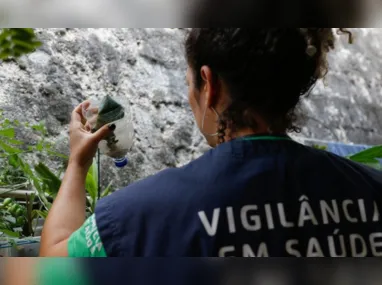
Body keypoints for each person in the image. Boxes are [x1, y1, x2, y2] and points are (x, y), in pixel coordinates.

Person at [39, 28, 382, 258]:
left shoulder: (134, 219)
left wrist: (77, 162)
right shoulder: (372, 189)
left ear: (209, 84)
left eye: (191, 83)